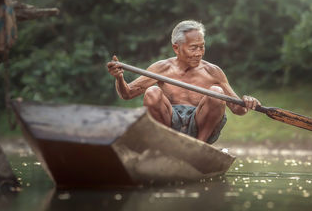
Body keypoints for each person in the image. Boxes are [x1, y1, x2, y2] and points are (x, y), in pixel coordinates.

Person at [107, 20, 261, 144]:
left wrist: (246, 102)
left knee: (217, 92)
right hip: (169, 125)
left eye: (202, 47)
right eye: (193, 48)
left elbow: (237, 108)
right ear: (176, 48)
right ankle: (166, 143)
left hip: (200, 127)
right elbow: (127, 94)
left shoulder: (212, 71)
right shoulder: (162, 68)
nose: (199, 53)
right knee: (152, 92)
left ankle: (199, 147)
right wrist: (119, 78)